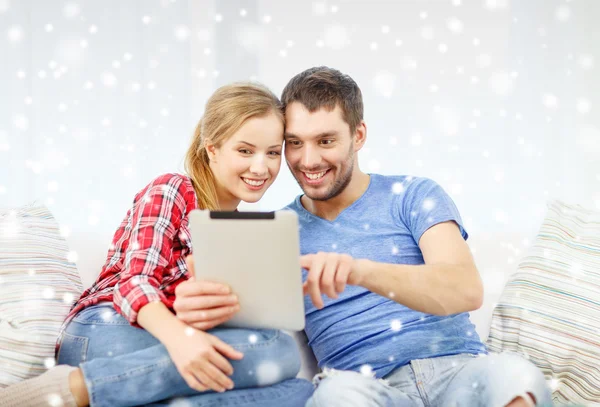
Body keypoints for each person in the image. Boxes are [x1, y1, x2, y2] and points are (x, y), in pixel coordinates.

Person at [175, 67, 554, 407]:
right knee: (336, 397)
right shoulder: (276, 232)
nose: (308, 161)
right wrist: (194, 308)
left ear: (358, 135)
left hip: (460, 374)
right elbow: (244, 321)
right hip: (364, 387)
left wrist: (359, 271)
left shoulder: (413, 195)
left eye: (325, 141)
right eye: (294, 143)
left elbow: (465, 288)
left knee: (515, 375)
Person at [0, 83, 313, 407]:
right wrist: (181, 339)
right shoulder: (172, 189)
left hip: (154, 346)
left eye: (272, 152)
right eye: (245, 151)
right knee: (276, 350)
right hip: (103, 328)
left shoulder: (242, 229)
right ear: (213, 148)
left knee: (300, 392)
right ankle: (70, 390)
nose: (260, 167)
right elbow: (133, 285)